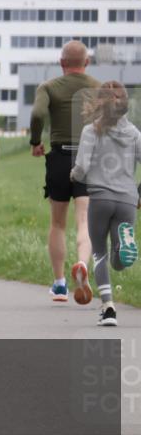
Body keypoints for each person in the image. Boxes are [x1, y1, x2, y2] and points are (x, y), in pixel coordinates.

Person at [30, 40, 101, 302]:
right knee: (84, 219)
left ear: (62, 63)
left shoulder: (48, 87)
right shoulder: (97, 88)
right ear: (87, 63)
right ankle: (82, 264)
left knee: (58, 223)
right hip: (89, 158)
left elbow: (37, 113)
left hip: (59, 158)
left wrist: (36, 141)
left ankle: (60, 284)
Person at [70, 81, 141, 328]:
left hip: (100, 198)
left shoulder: (92, 131)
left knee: (99, 252)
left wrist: (74, 176)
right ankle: (124, 246)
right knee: (117, 259)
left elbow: (82, 168)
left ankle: (108, 308)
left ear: (99, 102)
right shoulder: (134, 133)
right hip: (128, 200)